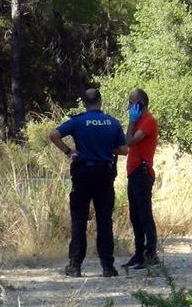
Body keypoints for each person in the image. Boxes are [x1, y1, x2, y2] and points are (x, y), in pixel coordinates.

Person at [49, 88, 127, 278]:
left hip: (83, 174)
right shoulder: (113, 122)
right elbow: (124, 150)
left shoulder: (78, 121)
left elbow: (53, 134)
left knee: (79, 220)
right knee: (104, 220)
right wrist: (108, 149)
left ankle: (75, 265)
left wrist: (69, 152)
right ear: (100, 101)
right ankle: (108, 266)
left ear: (84, 103)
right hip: (104, 175)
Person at [121, 88, 160, 270]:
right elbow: (127, 141)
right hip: (133, 172)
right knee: (135, 215)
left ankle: (150, 254)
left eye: (131, 102)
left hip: (142, 173)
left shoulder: (148, 121)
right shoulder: (137, 122)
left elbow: (130, 141)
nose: (129, 106)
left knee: (144, 215)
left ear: (140, 104)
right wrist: (132, 122)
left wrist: (131, 122)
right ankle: (138, 253)